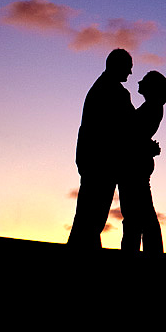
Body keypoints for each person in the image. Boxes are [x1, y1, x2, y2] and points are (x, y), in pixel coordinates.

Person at [67, 48, 136, 250]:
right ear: (118, 66)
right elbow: (131, 125)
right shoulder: (116, 93)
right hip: (102, 164)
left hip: (91, 161)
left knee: (87, 217)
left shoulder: (98, 88)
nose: (130, 73)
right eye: (128, 68)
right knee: (92, 218)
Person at [119, 70, 166, 255]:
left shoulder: (152, 107)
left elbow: (135, 133)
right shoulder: (152, 106)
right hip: (138, 164)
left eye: (144, 81)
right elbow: (140, 133)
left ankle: (142, 252)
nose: (139, 83)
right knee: (141, 215)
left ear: (151, 87)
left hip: (135, 166)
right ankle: (148, 251)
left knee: (138, 216)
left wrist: (147, 145)